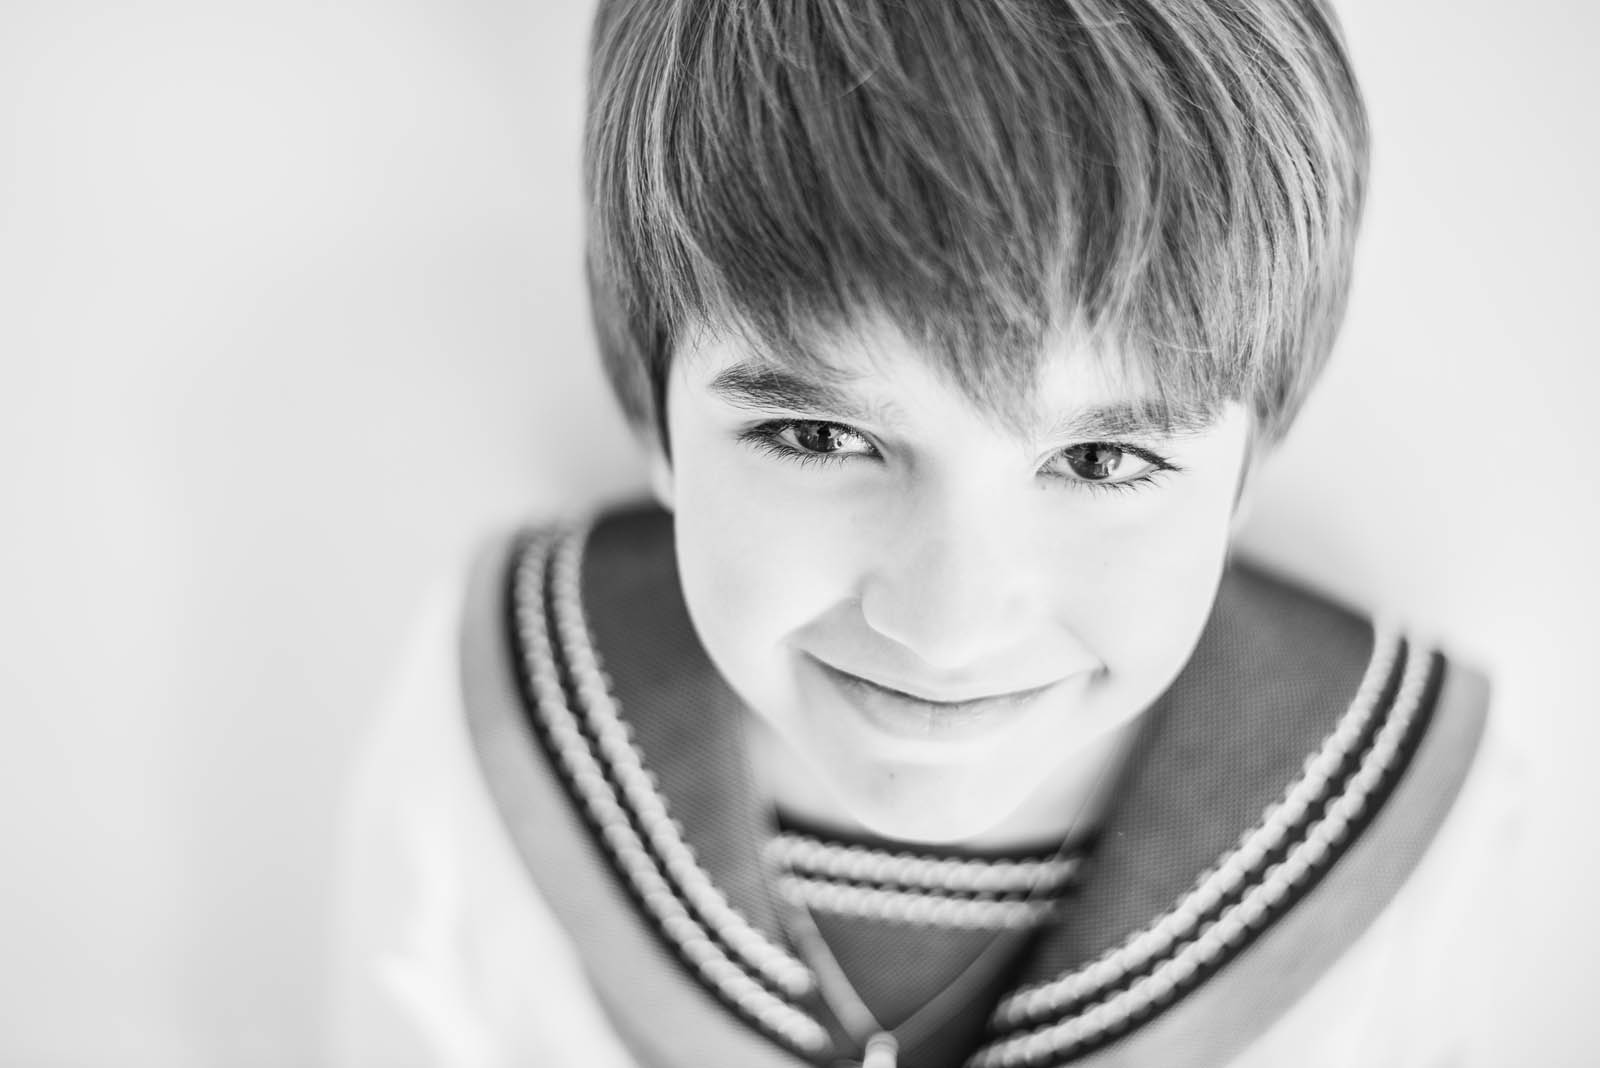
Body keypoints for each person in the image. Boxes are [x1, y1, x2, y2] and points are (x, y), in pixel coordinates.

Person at [330, 2, 1515, 1065]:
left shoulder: (1404, 824)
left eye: (1099, 460)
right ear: (652, 415)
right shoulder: (501, 719)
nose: (946, 627)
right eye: (817, 437)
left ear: (1249, 466)